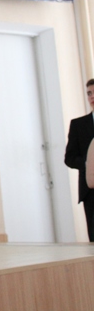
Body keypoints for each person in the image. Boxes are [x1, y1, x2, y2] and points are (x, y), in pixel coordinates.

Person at [65, 78, 94, 242]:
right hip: (90, 190)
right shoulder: (78, 125)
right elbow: (69, 158)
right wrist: (89, 164)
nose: (92, 96)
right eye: (89, 93)